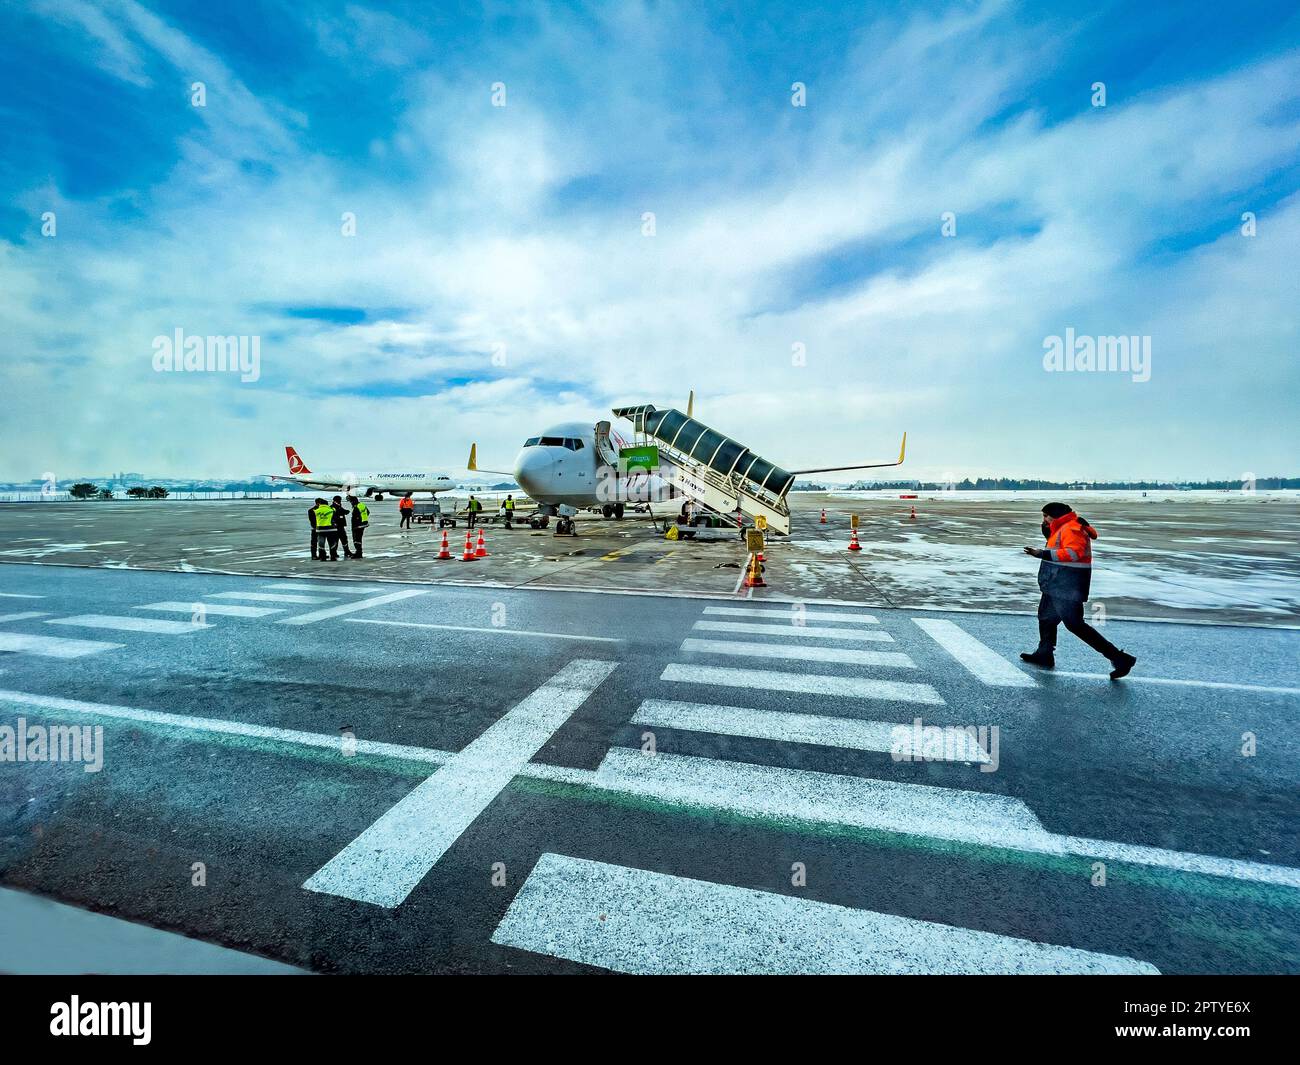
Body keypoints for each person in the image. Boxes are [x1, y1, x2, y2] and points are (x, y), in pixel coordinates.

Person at [1020, 502, 1137, 679]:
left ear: (1056, 515)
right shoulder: (1062, 527)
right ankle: (1044, 654)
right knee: (1046, 618)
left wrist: (1041, 554)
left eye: (1046, 516)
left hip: (1067, 585)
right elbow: (1057, 545)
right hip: (1056, 583)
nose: (1043, 519)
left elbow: (1074, 553)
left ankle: (1119, 658)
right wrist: (1047, 530)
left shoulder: (1071, 528)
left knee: (1075, 624)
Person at [311, 497, 336, 561]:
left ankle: (322, 557)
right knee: (332, 543)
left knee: (321, 543)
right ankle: (333, 556)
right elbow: (335, 518)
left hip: (320, 529)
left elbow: (313, 520)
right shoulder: (332, 510)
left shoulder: (315, 511)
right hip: (331, 529)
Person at [348, 493, 370, 558]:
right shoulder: (362, 505)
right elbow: (368, 512)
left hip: (357, 526)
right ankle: (359, 552)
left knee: (356, 539)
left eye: (351, 501)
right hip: (363, 524)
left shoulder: (356, 507)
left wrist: (357, 523)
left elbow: (355, 517)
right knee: (359, 539)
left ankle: (358, 553)